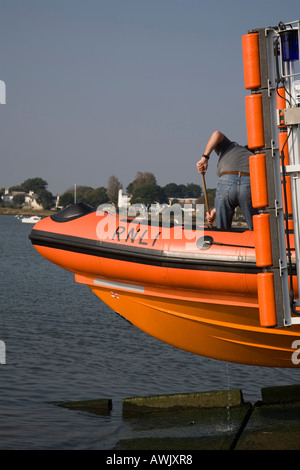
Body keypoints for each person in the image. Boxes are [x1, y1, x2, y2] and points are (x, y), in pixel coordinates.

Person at [196, 130, 257, 230]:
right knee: (256, 230)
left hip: (226, 181)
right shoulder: (257, 158)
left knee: (222, 231)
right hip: (249, 183)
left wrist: (205, 158)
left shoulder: (231, 146)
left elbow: (217, 134)